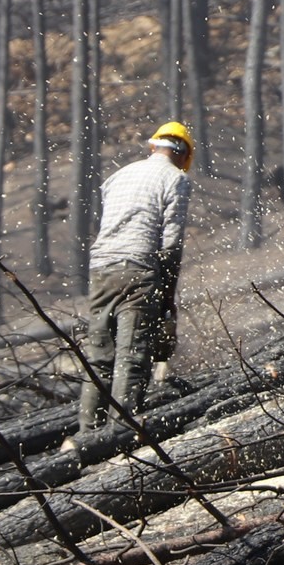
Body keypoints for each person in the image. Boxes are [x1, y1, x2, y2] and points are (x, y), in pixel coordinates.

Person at [79, 121, 193, 430]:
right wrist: (168, 293)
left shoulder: (119, 176)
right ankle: (120, 433)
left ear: (152, 146)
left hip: (101, 266)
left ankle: (87, 432)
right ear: (183, 156)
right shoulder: (176, 180)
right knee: (132, 357)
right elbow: (171, 243)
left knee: (100, 358)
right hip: (139, 269)